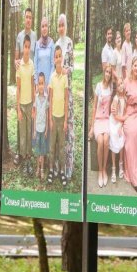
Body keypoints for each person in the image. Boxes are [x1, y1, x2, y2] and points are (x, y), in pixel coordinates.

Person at [56, 13, 76, 180]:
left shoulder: (69, 42)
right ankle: (58, 167)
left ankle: (68, 168)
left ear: (66, 26)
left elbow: (73, 67)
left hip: (67, 90)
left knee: (68, 127)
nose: (61, 27)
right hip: (57, 91)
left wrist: (66, 70)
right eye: (59, 25)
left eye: (63, 24)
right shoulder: (56, 45)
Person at [123, 57, 137, 193]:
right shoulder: (126, 81)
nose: (136, 68)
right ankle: (132, 176)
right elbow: (121, 98)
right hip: (129, 113)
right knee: (130, 134)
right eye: (134, 65)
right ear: (131, 66)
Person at [47, 46, 68, 186]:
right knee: (52, 147)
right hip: (54, 118)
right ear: (54, 59)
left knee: (61, 147)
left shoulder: (65, 77)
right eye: (56, 56)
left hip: (62, 118)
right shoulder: (52, 77)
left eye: (60, 56)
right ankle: (50, 170)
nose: (58, 58)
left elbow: (66, 100)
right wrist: (49, 118)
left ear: (62, 58)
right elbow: (50, 99)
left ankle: (61, 171)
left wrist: (66, 120)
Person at [90, 65, 113, 188]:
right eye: (107, 72)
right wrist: (92, 127)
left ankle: (104, 169)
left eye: (110, 72)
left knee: (106, 140)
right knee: (100, 141)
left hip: (107, 120)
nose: (108, 74)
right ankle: (100, 170)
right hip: (98, 120)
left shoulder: (111, 87)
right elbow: (94, 107)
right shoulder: (98, 87)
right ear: (104, 72)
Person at [16, 35, 35, 169]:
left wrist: (34, 104)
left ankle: (28, 155)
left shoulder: (32, 64)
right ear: (23, 48)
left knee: (29, 132)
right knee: (22, 133)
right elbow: (18, 88)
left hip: (30, 104)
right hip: (22, 105)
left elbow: (33, 86)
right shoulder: (19, 66)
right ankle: (22, 155)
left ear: (30, 48)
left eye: (29, 47)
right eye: (25, 47)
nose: (27, 49)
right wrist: (18, 109)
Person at [110, 77, 127, 184]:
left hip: (120, 123)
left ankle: (121, 164)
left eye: (122, 84)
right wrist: (123, 120)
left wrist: (121, 125)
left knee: (122, 137)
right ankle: (113, 168)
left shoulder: (125, 98)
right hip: (114, 122)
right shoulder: (116, 99)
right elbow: (115, 116)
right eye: (119, 84)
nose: (121, 86)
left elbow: (125, 112)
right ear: (116, 88)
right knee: (114, 136)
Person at [32, 73, 49, 181]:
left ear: (45, 84)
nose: (41, 86)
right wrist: (34, 130)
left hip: (43, 130)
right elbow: (35, 114)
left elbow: (47, 115)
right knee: (38, 151)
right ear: (37, 86)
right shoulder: (36, 99)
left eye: (42, 83)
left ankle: (42, 169)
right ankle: (37, 168)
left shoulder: (47, 98)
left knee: (42, 151)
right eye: (39, 84)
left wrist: (47, 128)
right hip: (37, 129)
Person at [15, 8, 37, 76]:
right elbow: (16, 59)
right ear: (24, 19)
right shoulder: (19, 36)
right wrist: (15, 62)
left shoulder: (35, 36)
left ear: (32, 20)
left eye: (30, 18)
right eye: (27, 17)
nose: (28, 20)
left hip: (32, 75)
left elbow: (36, 57)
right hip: (22, 74)